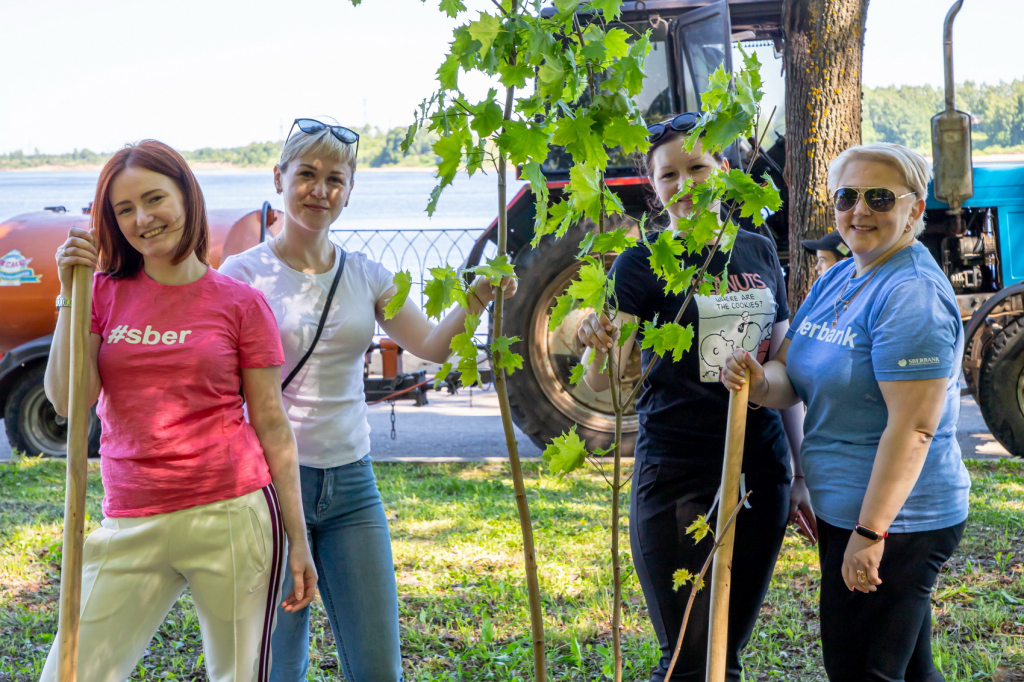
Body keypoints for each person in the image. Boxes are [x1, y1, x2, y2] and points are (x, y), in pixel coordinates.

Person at [220, 118, 516, 682]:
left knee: (379, 668)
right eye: (306, 174)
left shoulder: (366, 275)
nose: (320, 190)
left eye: (335, 178)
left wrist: (477, 293)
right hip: (269, 491)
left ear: (350, 190)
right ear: (278, 178)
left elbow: (428, 344)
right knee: (278, 668)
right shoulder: (242, 276)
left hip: (353, 486)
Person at [41, 140, 316, 681]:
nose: (142, 219)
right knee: (70, 675)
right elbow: (67, 401)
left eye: (153, 198)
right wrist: (69, 296)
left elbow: (271, 425)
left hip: (232, 516)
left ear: (187, 197)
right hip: (130, 519)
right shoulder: (100, 293)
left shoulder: (239, 304)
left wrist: (298, 538)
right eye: (123, 210)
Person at [576, 112, 812, 682]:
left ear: (723, 170)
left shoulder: (758, 253)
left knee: (724, 656)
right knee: (685, 657)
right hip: (675, 471)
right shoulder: (640, 263)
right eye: (669, 175)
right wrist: (595, 344)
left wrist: (800, 475)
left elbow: (785, 374)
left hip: (760, 469)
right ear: (653, 188)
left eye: (698, 168)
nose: (685, 185)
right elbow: (598, 383)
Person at [721, 142, 970, 682]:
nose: (860, 210)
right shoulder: (841, 276)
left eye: (880, 198)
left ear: (915, 209)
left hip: (898, 521)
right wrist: (759, 380)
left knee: (861, 671)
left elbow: (915, 428)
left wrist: (870, 534)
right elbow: (791, 373)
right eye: (847, 196)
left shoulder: (911, 295)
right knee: (906, 669)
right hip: (850, 511)